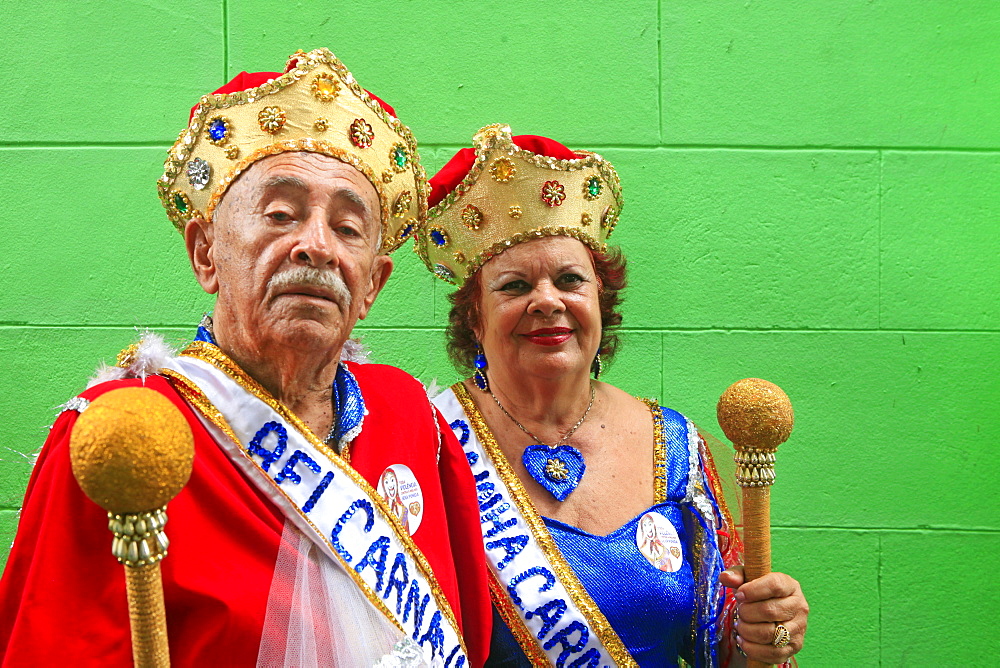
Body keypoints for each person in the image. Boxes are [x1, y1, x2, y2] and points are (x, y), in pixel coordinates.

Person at [0, 49, 490, 667]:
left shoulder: (411, 416)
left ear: (373, 285)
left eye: (347, 228)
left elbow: (467, 634)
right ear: (205, 252)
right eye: (280, 214)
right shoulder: (122, 429)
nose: (315, 246)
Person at [417, 124, 809, 667]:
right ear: (474, 321)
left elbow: (723, 653)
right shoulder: (427, 442)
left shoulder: (675, 447)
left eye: (570, 280)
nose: (546, 301)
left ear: (602, 303)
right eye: (513, 286)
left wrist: (764, 638)